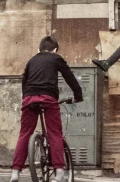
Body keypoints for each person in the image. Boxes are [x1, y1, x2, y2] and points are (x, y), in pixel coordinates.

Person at [10, 35, 83, 182]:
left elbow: (24, 81)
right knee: (54, 133)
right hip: (48, 98)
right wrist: (78, 95)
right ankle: (60, 172)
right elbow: (70, 77)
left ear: (39, 49)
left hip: (29, 98)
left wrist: (26, 98)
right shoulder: (56, 58)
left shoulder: (31, 60)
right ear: (55, 50)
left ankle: (15, 172)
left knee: (24, 133)